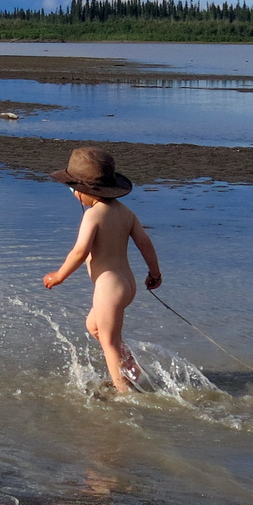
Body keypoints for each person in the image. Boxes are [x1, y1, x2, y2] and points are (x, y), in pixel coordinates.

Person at [41, 146, 162, 394]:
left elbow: (79, 252)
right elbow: (144, 243)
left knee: (108, 343)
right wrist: (154, 273)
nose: (74, 194)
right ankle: (133, 371)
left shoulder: (93, 215)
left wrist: (59, 275)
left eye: (74, 189)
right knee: (94, 326)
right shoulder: (126, 213)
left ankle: (124, 394)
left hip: (108, 287)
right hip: (127, 284)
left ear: (86, 190)